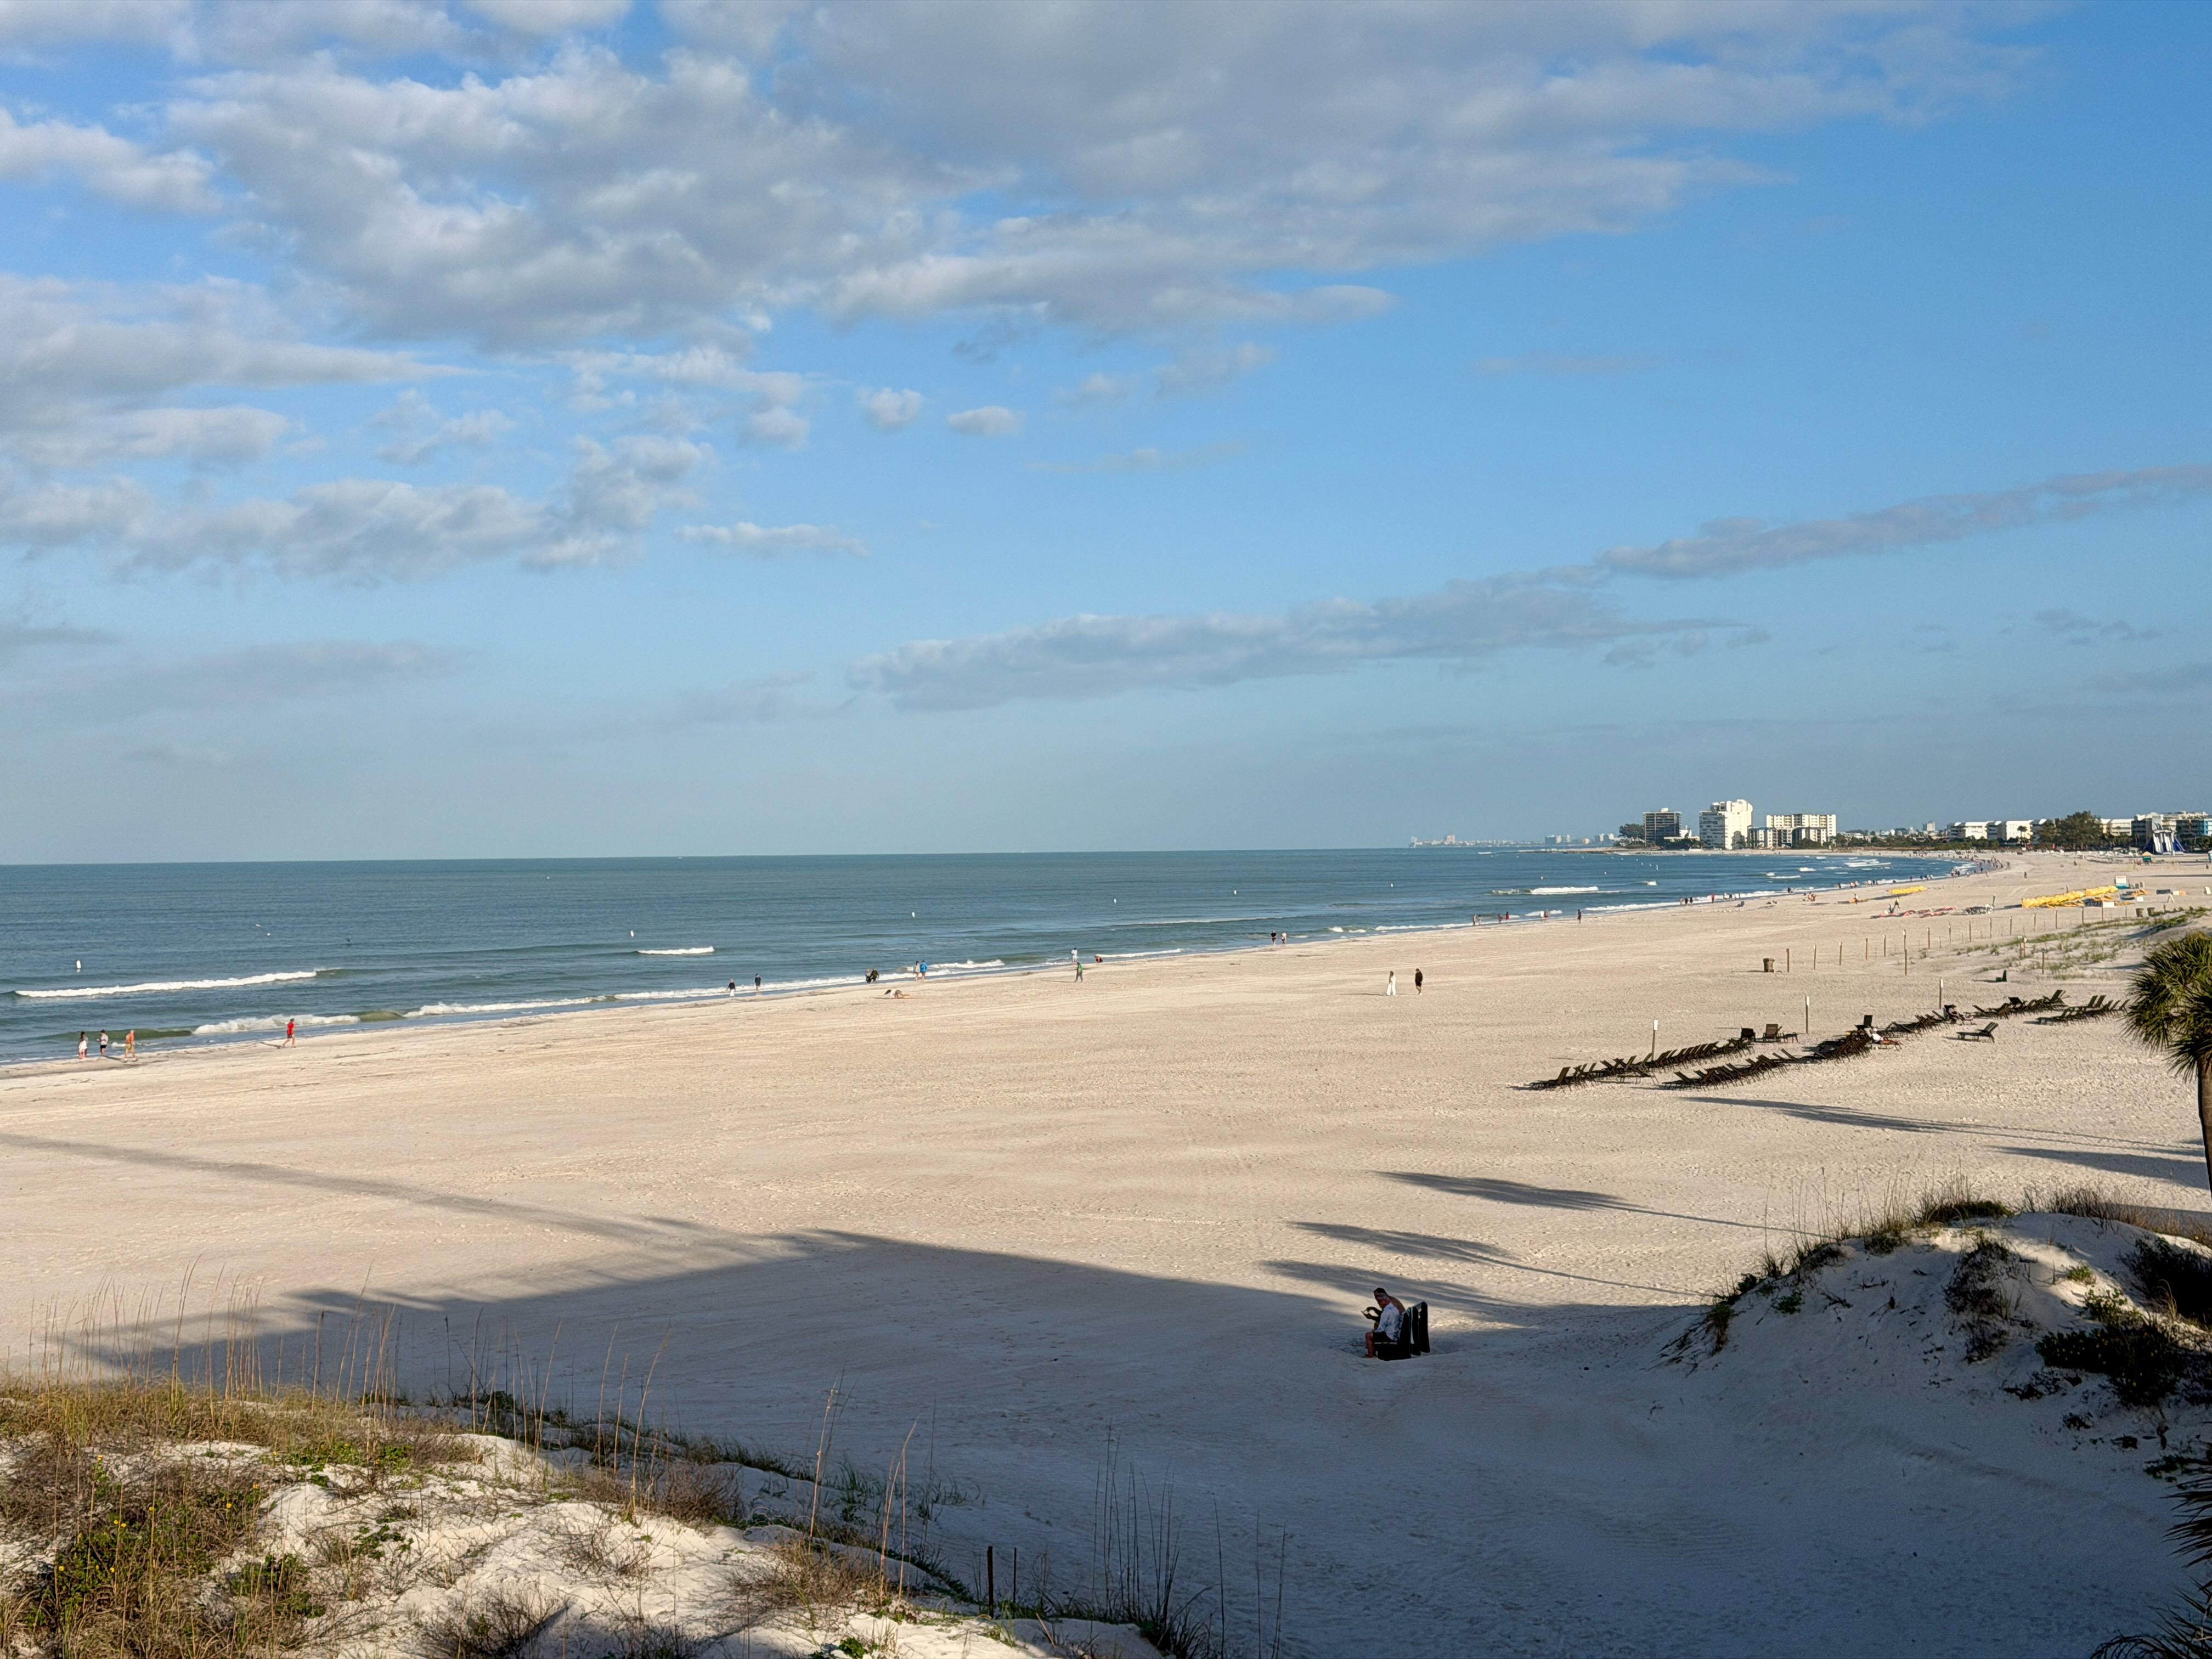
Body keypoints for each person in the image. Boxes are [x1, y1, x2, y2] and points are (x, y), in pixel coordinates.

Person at [1364, 1286, 1407, 1357]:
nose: (1377, 1299)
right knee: (1376, 1327)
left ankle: (1371, 1354)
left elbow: (1385, 1319)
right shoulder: (1390, 1302)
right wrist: (1374, 1309)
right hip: (1399, 1326)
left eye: (1378, 1297)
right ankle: (1373, 1347)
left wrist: (1372, 1318)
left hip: (1396, 1331)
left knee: (1370, 1334)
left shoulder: (1389, 1305)